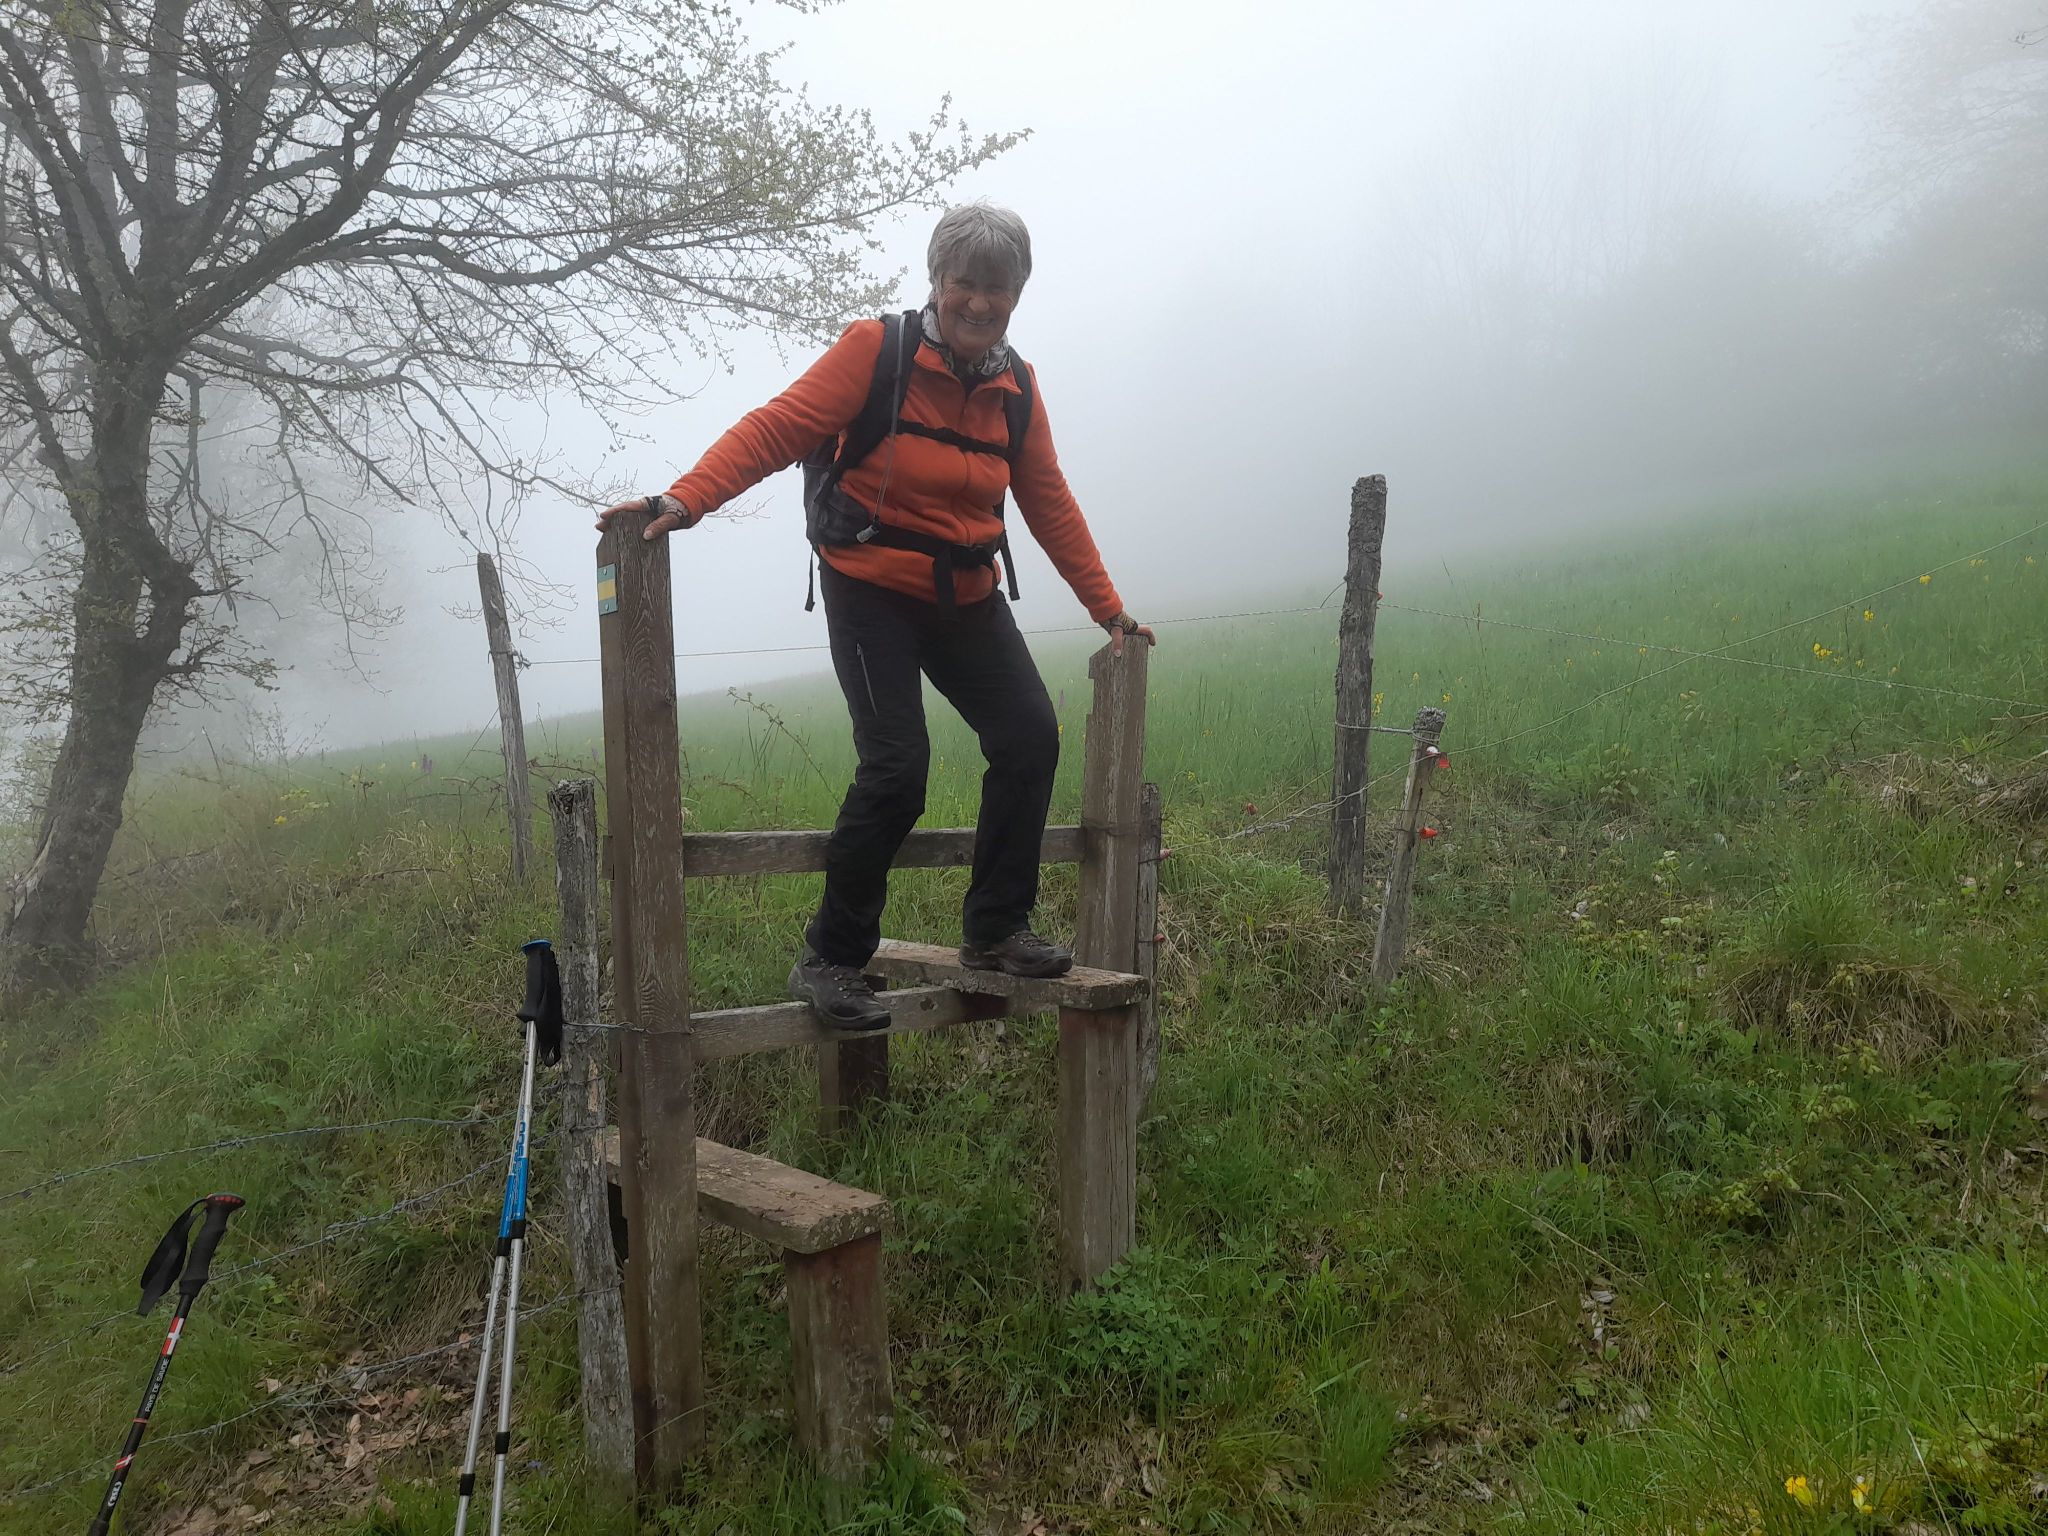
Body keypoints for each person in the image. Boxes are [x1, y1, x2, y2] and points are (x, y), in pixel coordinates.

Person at [597, 203, 1154, 1028]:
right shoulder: (877, 351)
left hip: (966, 594)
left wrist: (1109, 610)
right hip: (870, 589)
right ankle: (832, 957)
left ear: (1017, 294)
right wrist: (687, 498)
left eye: (997, 287)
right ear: (937, 279)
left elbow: (1048, 502)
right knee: (897, 767)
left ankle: (996, 929)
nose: (979, 301)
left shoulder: (1016, 389)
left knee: (1030, 736)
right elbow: (776, 428)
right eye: (964, 282)